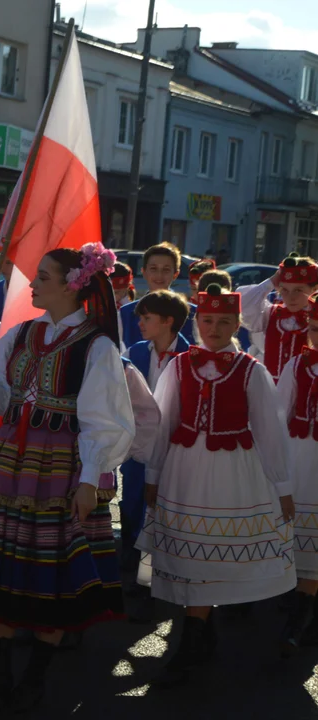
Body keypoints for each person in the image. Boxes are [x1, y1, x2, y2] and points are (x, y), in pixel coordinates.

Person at [0, 243, 135, 714]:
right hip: (10, 462)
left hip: (60, 469)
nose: (32, 283)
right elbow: (1, 398)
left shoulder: (98, 344)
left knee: (52, 575)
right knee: (1, 568)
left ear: (72, 284)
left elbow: (105, 421)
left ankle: (36, 677)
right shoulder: (21, 334)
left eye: (43, 276)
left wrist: (90, 479)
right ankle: (0, 675)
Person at [138, 284, 295, 687]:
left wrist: (282, 487)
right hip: (184, 470)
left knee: (211, 557)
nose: (214, 327)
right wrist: (153, 477)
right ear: (197, 321)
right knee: (188, 556)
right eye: (207, 320)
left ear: (236, 324)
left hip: (233, 473)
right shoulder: (178, 366)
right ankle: (198, 634)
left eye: (224, 321)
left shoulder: (250, 370)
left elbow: (270, 431)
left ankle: (195, 638)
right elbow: (163, 424)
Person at [119, 291, 191, 576]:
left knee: (168, 508)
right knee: (133, 504)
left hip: (175, 449)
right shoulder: (134, 352)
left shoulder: (191, 354)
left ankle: (163, 573)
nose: (140, 323)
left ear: (167, 321)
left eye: (147, 318)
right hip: (140, 446)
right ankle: (130, 569)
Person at [277, 295, 318, 656]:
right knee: (298, 535)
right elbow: (278, 414)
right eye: (316, 329)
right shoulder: (296, 365)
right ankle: (295, 610)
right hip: (299, 459)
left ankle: (301, 617)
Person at [238, 253, 318, 382]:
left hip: (306, 392)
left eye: (298, 290)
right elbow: (241, 307)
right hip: (271, 392)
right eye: (284, 290)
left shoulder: (315, 321)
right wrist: (270, 283)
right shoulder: (270, 314)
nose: (290, 297)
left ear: (314, 289)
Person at [118, 243, 196, 348]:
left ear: (175, 274)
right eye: (153, 269)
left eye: (166, 270)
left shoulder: (193, 314)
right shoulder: (126, 314)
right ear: (144, 272)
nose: (159, 275)